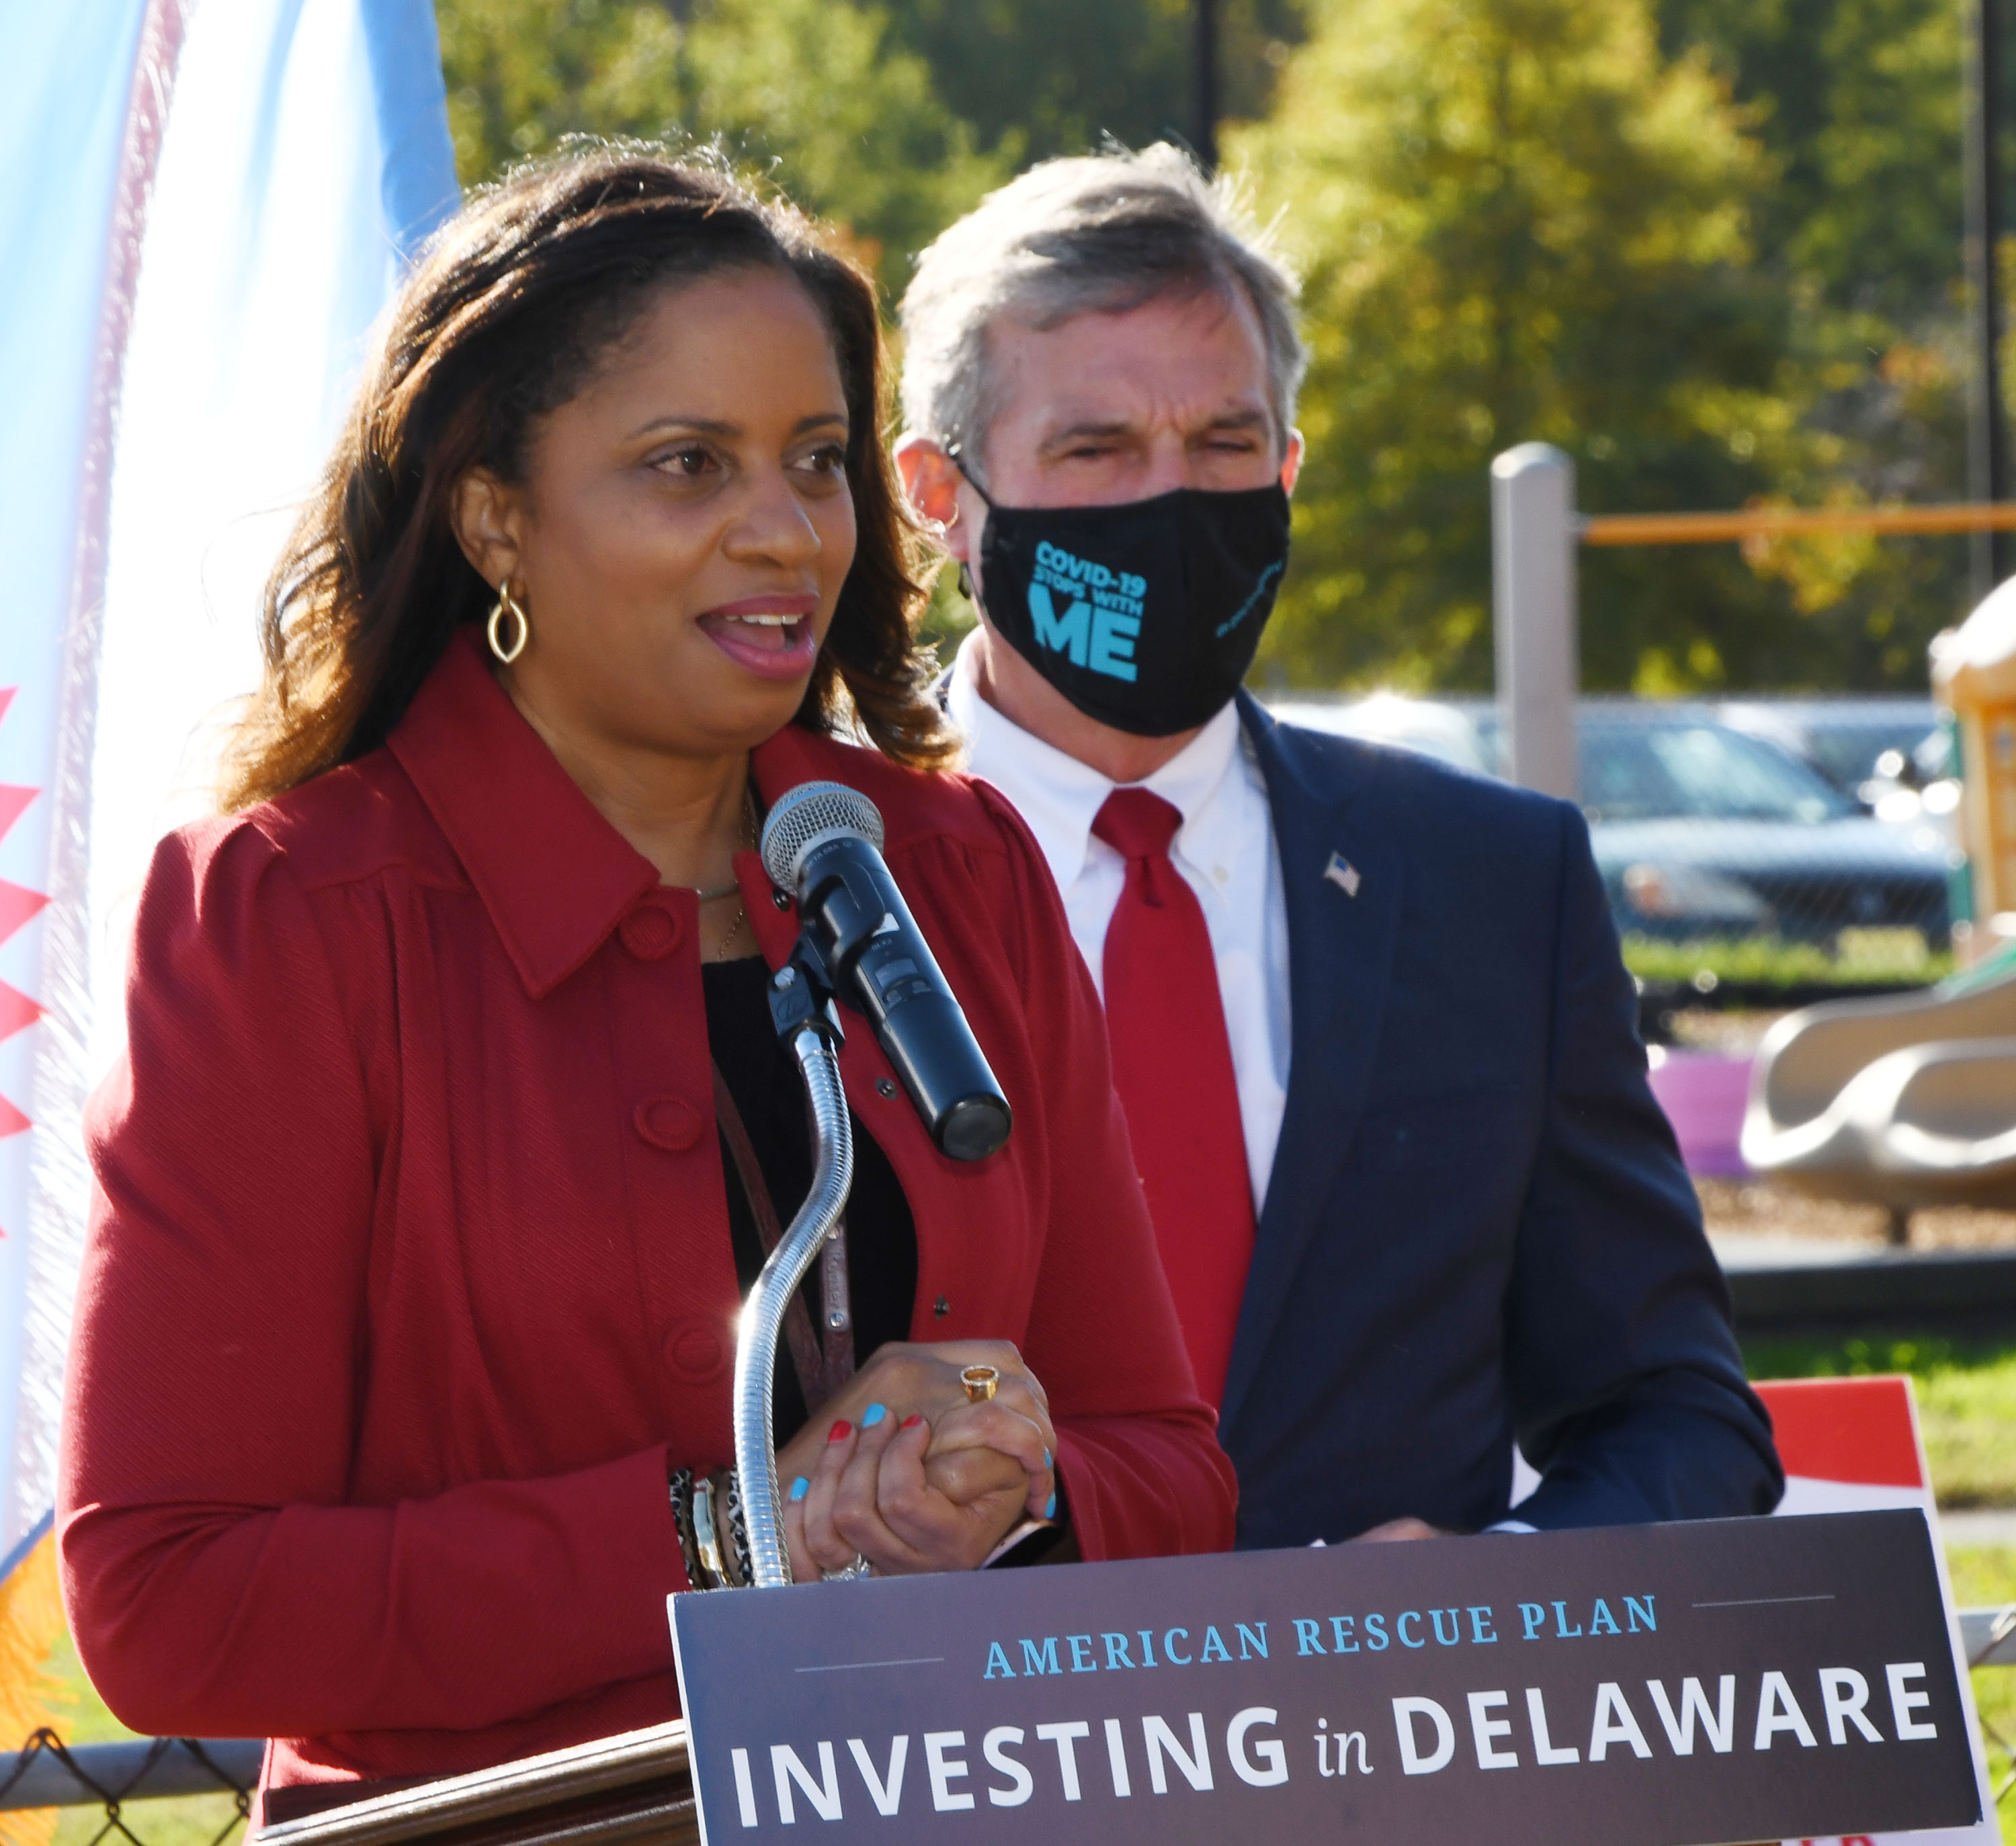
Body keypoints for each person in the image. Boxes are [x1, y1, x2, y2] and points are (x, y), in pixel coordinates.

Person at [57, 151, 1233, 1816]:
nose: (784, 530)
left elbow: (1174, 1470)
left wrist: (1013, 1486)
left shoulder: (952, 870)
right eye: (687, 464)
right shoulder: (284, 920)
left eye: (815, 461)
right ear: (494, 519)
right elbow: (170, 1604)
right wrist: (734, 1528)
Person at [895, 146, 1781, 1548]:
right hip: (966, 1744)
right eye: (1096, 450)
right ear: (938, 498)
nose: (1171, 504)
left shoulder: (1495, 887)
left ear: (1290, 468)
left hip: (1397, 1753)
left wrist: (1495, 1597)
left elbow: (1672, 1412)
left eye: (1227, 446)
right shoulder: (791, 877)